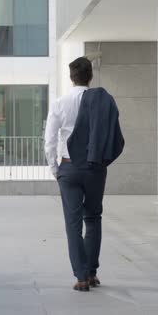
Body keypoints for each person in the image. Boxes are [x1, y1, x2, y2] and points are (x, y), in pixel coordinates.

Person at [44, 57, 124, 292]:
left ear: (71, 77)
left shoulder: (60, 102)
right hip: (95, 168)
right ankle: (91, 272)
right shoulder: (103, 101)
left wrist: (55, 169)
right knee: (93, 218)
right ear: (90, 76)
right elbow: (114, 134)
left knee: (73, 223)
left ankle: (81, 277)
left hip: (68, 167)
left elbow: (50, 139)